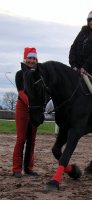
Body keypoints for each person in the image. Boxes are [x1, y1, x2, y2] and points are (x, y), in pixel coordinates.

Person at [12, 47, 39, 178]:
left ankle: (29, 168)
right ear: (25, 59)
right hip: (22, 108)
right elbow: (22, 92)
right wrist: (32, 105)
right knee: (21, 138)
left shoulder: (39, 74)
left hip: (34, 110)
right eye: (29, 58)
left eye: (33, 58)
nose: (31, 60)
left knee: (32, 140)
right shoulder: (19, 74)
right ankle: (16, 168)